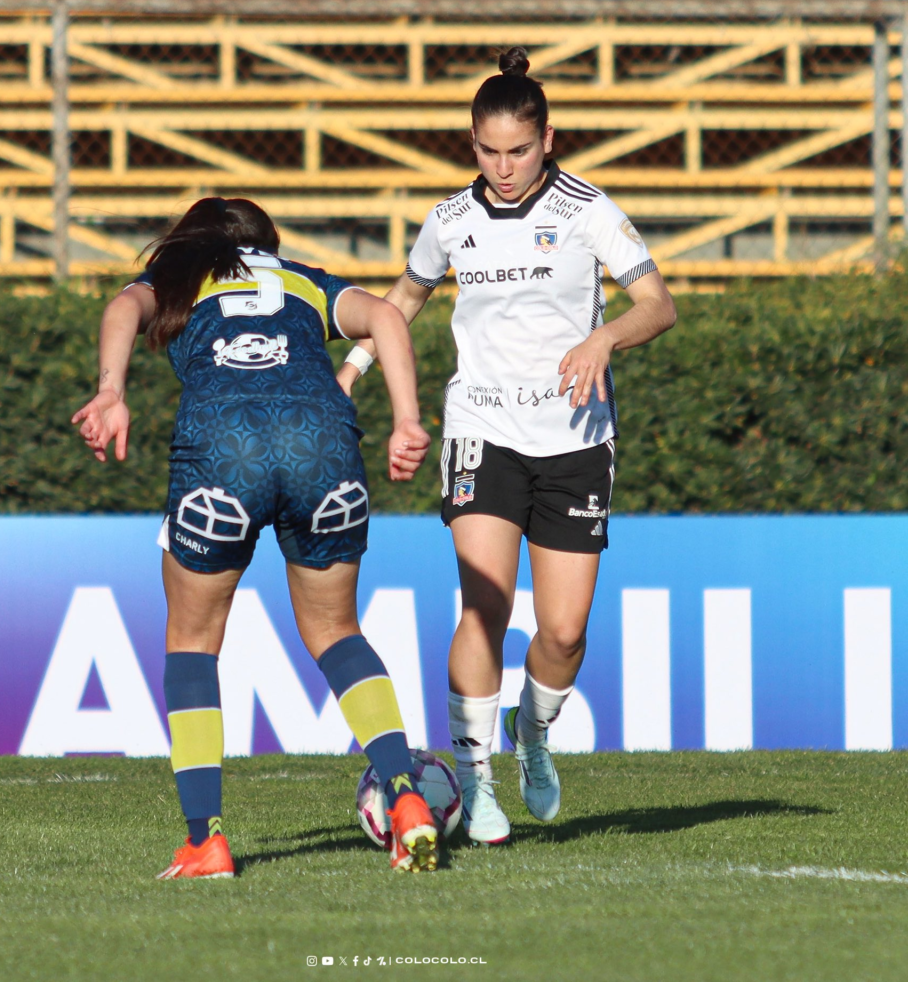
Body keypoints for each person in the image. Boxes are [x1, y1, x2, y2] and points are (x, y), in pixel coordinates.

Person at [338, 47, 677, 844]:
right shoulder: (450, 220)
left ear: (548, 139)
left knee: (561, 633)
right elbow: (407, 296)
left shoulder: (590, 210)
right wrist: (353, 365)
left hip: (575, 441)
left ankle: (535, 732)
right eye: (487, 151)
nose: (502, 167)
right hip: (481, 432)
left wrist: (606, 340)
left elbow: (657, 304)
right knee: (483, 606)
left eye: (517, 150)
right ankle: (477, 778)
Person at [73, 197, 438, 875]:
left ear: (192, 239)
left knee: (192, 640)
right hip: (322, 440)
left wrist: (110, 391)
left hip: (224, 445)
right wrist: (406, 419)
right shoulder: (301, 278)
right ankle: (407, 797)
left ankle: (205, 838)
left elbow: (123, 308)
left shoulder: (178, 279)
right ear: (267, 240)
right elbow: (387, 315)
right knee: (336, 631)